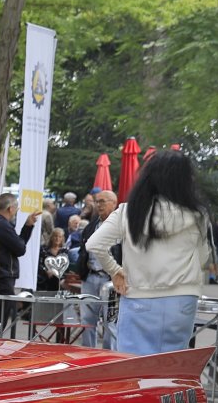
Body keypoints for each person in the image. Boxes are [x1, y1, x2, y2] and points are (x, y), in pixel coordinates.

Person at [87, 151, 210, 355]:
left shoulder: (128, 212)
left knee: (134, 364)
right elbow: (203, 257)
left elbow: (94, 244)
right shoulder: (198, 214)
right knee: (172, 363)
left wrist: (115, 271)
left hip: (139, 295)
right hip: (182, 298)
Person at [0, 192, 38, 335]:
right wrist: (27, 227)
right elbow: (20, 248)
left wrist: (27, 226)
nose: (16, 212)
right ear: (10, 208)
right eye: (16, 208)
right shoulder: (1, 225)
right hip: (1, 277)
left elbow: (17, 245)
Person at [72, 188, 118, 348]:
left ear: (114, 203)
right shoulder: (90, 227)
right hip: (90, 277)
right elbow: (82, 251)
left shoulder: (121, 227)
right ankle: (88, 353)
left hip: (110, 280)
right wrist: (81, 270)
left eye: (102, 201)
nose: (98, 205)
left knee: (110, 321)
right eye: (97, 201)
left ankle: (108, 356)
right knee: (87, 320)